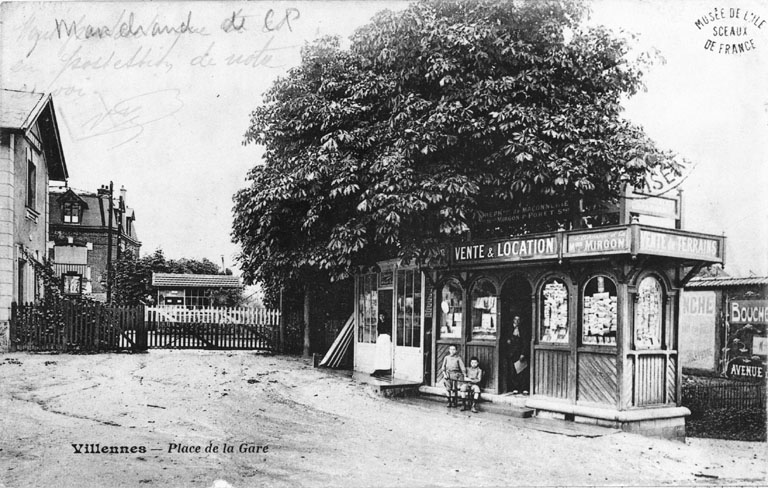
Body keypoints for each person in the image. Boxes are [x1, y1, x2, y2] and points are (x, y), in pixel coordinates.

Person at [505, 315, 529, 394]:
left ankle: (524, 388)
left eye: (518, 319)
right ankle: (515, 387)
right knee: (513, 371)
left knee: (522, 370)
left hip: (520, 352)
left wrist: (523, 353)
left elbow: (525, 342)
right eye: (515, 319)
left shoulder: (523, 330)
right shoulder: (509, 328)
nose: (517, 321)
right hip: (512, 353)